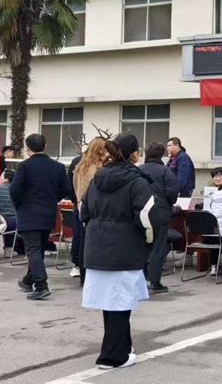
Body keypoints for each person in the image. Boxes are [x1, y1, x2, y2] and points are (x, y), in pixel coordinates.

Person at [80, 133, 154, 370]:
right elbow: (146, 218)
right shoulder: (138, 182)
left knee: (111, 303)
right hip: (125, 248)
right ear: (135, 154)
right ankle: (113, 356)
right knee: (120, 303)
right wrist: (149, 242)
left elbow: (84, 212)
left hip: (97, 247)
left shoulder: (97, 178)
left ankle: (123, 347)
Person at [11, 134, 71, 300]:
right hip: (47, 213)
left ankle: (41, 286)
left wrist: (20, 205)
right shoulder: (58, 167)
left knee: (33, 250)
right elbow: (66, 189)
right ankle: (28, 280)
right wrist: (52, 199)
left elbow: (14, 190)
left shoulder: (24, 166)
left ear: (27, 148)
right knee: (38, 249)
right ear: (45, 146)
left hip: (28, 213)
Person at [137, 142, 179, 293]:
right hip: (160, 213)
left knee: (140, 246)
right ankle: (154, 282)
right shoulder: (166, 172)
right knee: (158, 248)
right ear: (162, 154)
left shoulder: (138, 170)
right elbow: (172, 192)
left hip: (140, 213)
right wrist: (168, 205)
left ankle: (140, 280)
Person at [73, 138, 109, 284]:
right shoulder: (99, 167)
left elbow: (75, 186)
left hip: (80, 206)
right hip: (96, 208)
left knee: (83, 242)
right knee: (97, 242)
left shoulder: (80, 166)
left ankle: (83, 276)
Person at [0, 170, 20, 256]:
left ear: (6, 179)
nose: (0, 178)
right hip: (14, 223)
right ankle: (9, 250)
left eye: (1, 177)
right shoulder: (18, 190)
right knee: (12, 220)